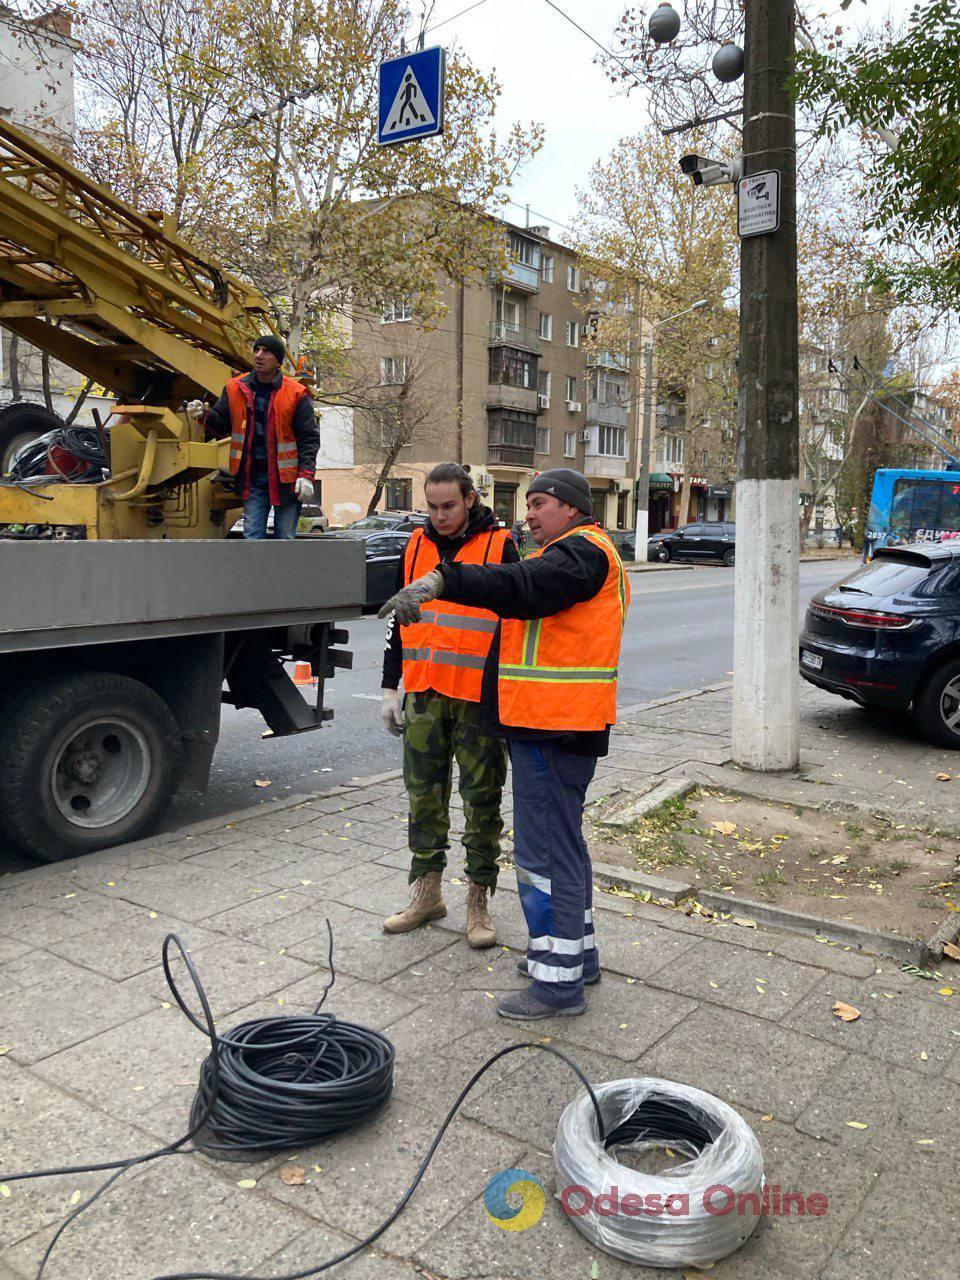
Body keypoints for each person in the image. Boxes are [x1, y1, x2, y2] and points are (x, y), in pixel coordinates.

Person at [379, 468, 629, 1021]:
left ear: (570, 507)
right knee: (564, 848)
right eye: (527, 505)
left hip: (554, 729)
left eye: (539, 504)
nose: (530, 515)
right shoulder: (580, 553)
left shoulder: (580, 553)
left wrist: (447, 580)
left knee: (543, 858)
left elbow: (518, 586)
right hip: (553, 726)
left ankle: (557, 984)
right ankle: (574, 956)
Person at [380, 462, 519, 948]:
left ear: (470, 500)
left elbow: (512, 624)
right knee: (424, 799)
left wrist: (503, 697)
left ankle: (478, 901)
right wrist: (388, 686)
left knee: (482, 802)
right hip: (425, 692)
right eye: (432, 506)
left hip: (478, 700)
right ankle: (426, 893)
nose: (440, 516)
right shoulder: (415, 545)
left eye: (449, 506)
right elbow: (399, 620)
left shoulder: (501, 546)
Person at [188, 335, 318, 540]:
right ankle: (257, 573)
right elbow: (222, 423)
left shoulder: (296, 393)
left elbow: (308, 438)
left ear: (278, 361)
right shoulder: (235, 388)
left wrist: (306, 474)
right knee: (252, 539)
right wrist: (204, 416)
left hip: (287, 479)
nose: (259, 355)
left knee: (285, 538)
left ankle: (282, 573)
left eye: (266, 351)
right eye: (257, 350)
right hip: (253, 477)